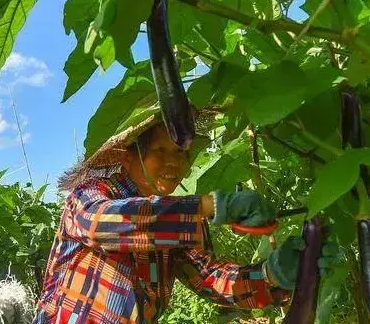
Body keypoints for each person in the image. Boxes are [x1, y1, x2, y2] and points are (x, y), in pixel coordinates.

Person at [32, 113, 304, 324]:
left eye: (180, 152)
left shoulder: (180, 223)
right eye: (159, 150)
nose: (173, 162)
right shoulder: (92, 194)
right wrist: (209, 206)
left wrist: (272, 275)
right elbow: (100, 223)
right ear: (128, 157)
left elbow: (209, 278)